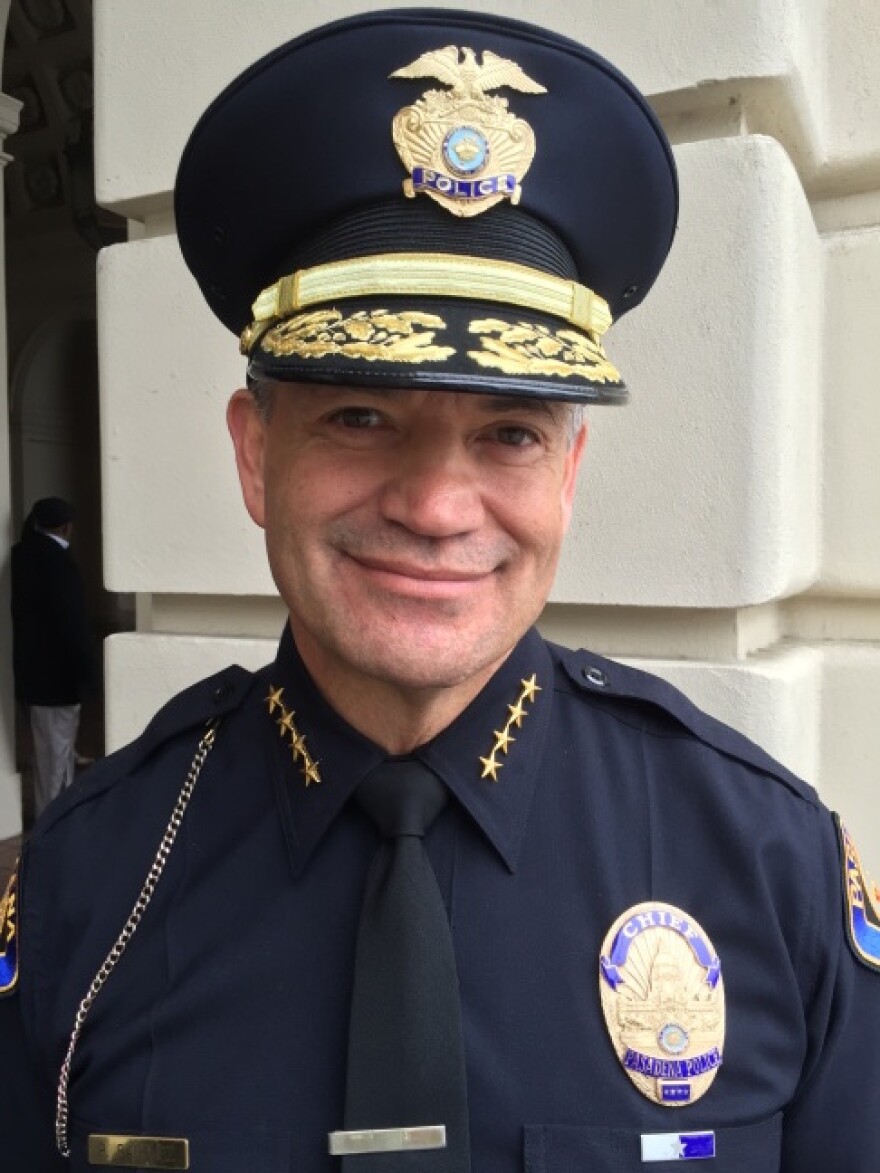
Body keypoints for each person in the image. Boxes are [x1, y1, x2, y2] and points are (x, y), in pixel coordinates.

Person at [1, 9, 878, 1171]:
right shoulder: (86, 883)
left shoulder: (767, 865)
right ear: (257, 455)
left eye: (509, 433)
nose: (436, 505)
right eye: (360, 415)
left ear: (567, 474)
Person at [10, 496, 98, 818]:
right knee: (58, 761)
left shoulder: (22, 556)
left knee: (46, 755)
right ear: (66, 527)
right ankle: (55, 827)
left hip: (31, 676)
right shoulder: (61, 565)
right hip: (58, 679)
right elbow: (73, 626)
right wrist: (89, 673)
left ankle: (52, 821)